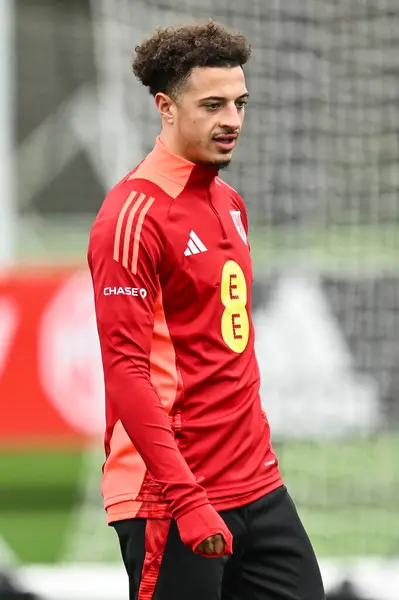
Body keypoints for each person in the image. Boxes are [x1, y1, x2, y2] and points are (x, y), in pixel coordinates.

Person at [88, 20, 325, 600]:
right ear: (165, 107)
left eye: (241, 104)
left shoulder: (229, 202)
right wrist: (187, 499)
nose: (233, 121)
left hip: (257, 486)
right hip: (171, 498)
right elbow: (125, 374)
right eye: (214, 105)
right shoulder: (131, 218)